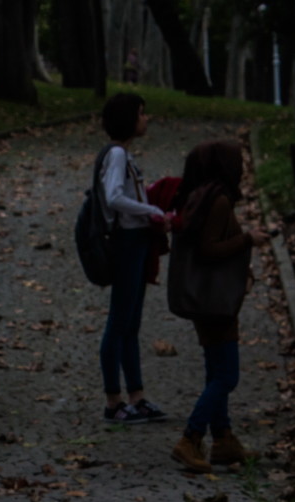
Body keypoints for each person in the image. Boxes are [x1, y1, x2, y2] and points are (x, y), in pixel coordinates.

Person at [167, 140, 269, 473]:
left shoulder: (200, 195)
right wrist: (248, 240)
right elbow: (209, 250)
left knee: (216, 370)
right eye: (237, 162)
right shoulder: (218, 200)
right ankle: (191, 438)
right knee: (226, 376)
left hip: (207, 299)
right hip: (215, 300)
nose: (242, 167)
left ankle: (223, 440)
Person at [97, 92, 172, 425]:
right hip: (127, 242)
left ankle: (136, 397)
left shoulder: (123, 155)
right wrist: (152, 210)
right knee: (119, 322)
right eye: (142, 114)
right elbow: (114, 197)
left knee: (131, 323)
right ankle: (114, 401)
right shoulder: (116, 154)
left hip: (137, 242)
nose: (146, 119)